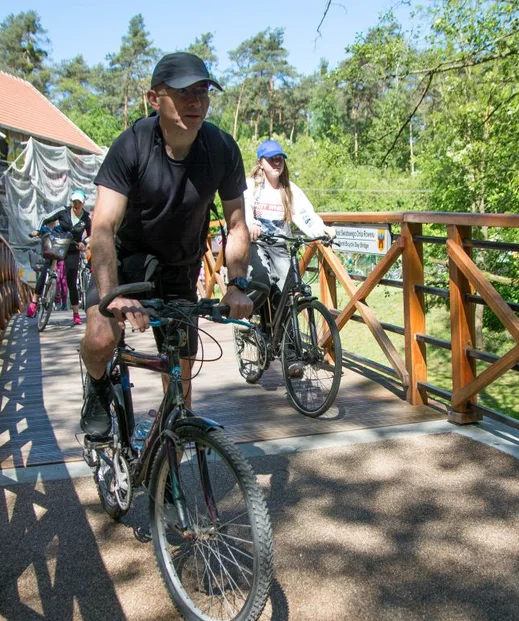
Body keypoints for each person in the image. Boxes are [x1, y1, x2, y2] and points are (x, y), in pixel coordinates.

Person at [80, 52, 254, 437]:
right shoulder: (132, 145)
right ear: (154, 99)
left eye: (203, 92)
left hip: (181, 265)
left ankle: (169, 459)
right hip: (126, 263)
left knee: (182, 366)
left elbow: (238, 223)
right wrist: (113, 296)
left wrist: (237, 282)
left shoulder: (222, 148)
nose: (196, 102)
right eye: (183, 93)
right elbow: (104, 227)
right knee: (99, 337)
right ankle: (95, 387)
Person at [244, 139, 336, 303]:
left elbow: (305, 214)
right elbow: (244, 207)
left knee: (291, 287)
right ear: (260, 163)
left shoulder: (289, 190)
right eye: (271, 159)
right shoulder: (251, 186)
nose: (276, 163)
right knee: (260, 281)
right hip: (256, 244)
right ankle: (248, 317)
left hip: (279, 246)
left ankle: (286, 327)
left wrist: (321, 230)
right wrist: (250, 223)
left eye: (280, 158)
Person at [27, 189, 91, 325]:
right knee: (45, 271)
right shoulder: (63, 211)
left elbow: (91, 234)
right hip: (57, 244)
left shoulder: (86, 217)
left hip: (73, 249)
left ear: (83, 203)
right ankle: (34, 302)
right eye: (74, 201)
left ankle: (75, 313)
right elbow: (45, 219)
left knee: (71, 281)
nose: (76, 204)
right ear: (71, 201)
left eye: (79, 202)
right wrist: (38, 231)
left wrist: (83, 242)